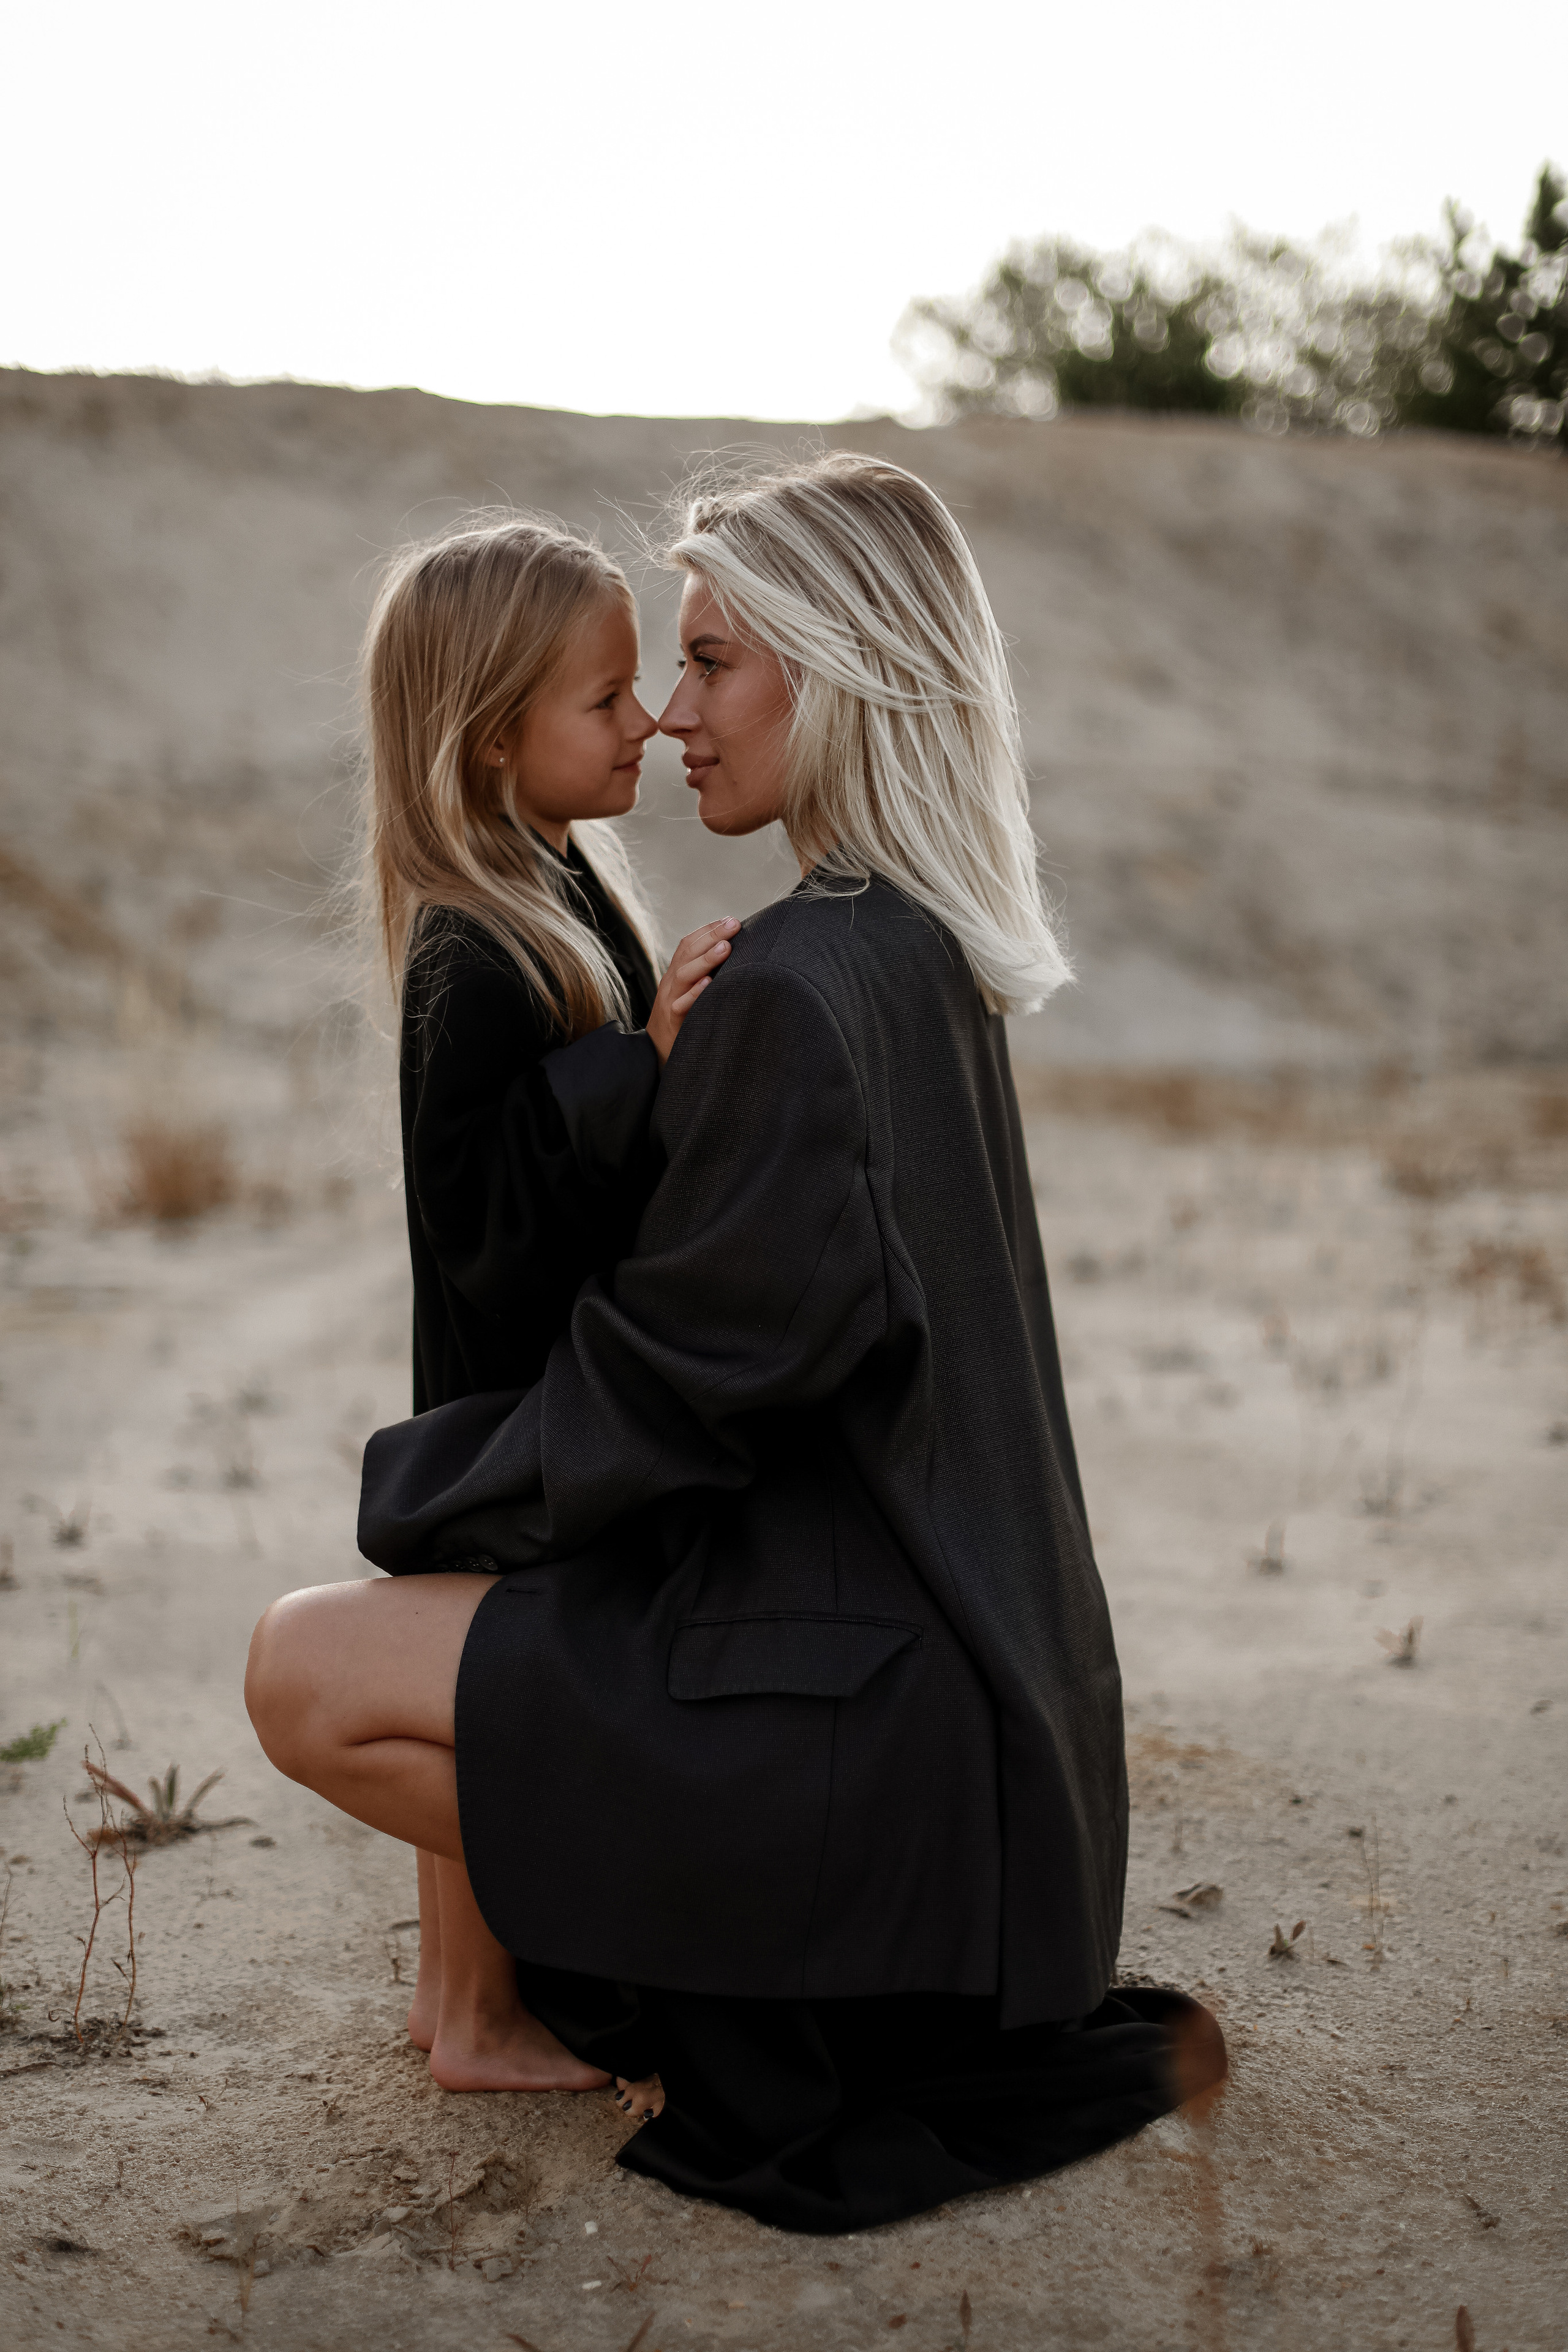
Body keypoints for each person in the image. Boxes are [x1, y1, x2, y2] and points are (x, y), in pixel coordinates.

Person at [247, 453, 1225, 2234]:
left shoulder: (791, 985)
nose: (675, 721)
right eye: (655, 677)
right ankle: (566, 1960)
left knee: (302, 1669)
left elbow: (676, 1381)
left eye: (707, 665)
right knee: (459, 1631)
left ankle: (692, 1967)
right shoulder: (912, 948)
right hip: (1002, 1754)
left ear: (832, 675)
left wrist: (420, 1492)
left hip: (888, 1767)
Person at [331, 510, 735, 2097]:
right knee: (492, 1703)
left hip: (505, 1411)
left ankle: (458, 2004)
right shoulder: (472, 953)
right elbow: (487, 1219)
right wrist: (642, 1068)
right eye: (608, 699)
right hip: (501, 1418)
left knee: (474, 1680)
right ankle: (484, 2016)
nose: (645, 722)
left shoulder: (558, 881)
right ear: (497, 737)